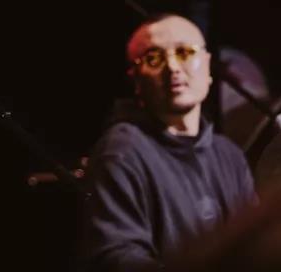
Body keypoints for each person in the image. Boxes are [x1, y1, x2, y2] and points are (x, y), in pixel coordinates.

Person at [79, 14, 256, 271]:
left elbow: (254, 246)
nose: (172, 67)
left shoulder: (229, 155)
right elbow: (117, 255)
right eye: (154, 58)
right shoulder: (121, 152)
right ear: (135, 80)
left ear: (208, 66)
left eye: (184, 52)